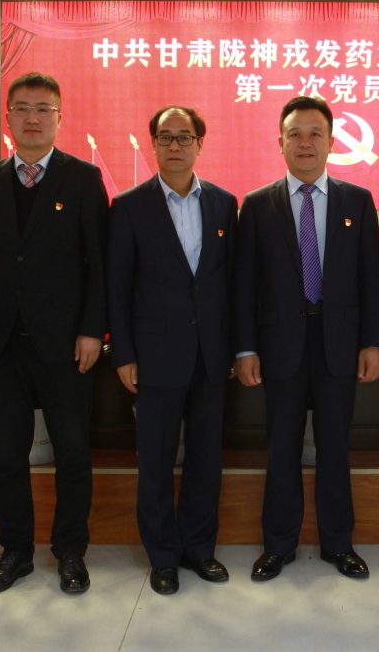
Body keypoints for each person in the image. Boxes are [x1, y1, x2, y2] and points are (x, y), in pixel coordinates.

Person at [0, 72, 109, 596]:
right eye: (22, 108)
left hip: (65, 344)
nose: (33, 118)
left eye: (44, 109)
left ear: (59, 118)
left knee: (73, 453)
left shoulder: (83, 178)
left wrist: (92, 330)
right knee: (7, 455)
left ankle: (70, 551)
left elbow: (98, 264)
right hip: (0, 343)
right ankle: (15, 552)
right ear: (8, 118)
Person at [233, 96, 379, 582]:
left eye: (315, 133)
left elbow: (371, 278)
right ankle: (278, 545)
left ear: (331, 142)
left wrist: (372, 342)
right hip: (279, 346)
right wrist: (245, 347)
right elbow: (245, 283)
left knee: (335, 449)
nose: (305, 143)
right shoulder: (257, 204)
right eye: (295, 134)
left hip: (339, 343)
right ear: (279, 142)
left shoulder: (357, 201)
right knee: (282, 449)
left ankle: (339, 544)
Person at [108, 105, 237, 596]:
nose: (175, 146)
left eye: (185, 137)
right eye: (166, 137)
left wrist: (234, 348)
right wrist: (123, 353)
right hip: (154, 356)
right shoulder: (130, 206)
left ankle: (199, 549)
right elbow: (118, 287)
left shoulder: (223, 204)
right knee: (157, 462)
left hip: (211, 355)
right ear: (154, 145)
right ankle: (162, 555)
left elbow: (231, 283)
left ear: (200, 144)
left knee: (206, 458)